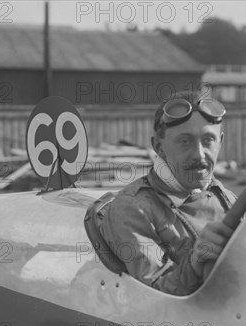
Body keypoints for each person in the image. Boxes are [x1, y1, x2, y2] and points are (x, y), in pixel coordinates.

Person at [100, 90, 237, 296]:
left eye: (208, 140)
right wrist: (195, 262)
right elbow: (155, 295)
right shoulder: (132, 208)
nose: (199, 154)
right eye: (185, 141)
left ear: (221, 141)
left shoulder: (229, 200)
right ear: (158, 147)